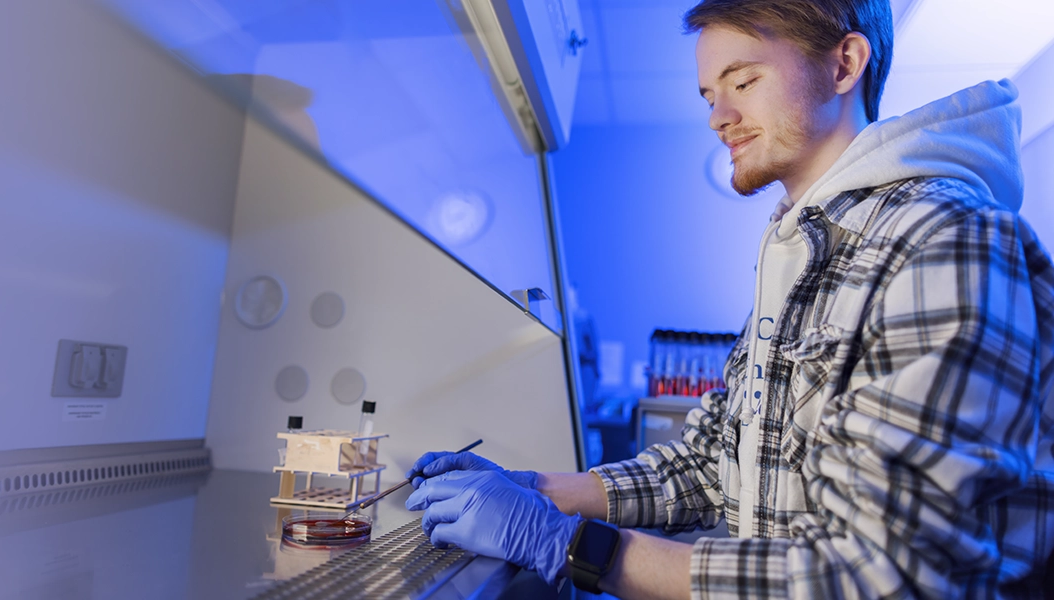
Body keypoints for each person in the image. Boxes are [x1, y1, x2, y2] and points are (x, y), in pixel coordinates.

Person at [404, 0, 1054, 597]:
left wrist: (565, 543)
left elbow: (886, 575)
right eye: (710, 95)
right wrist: (539, 489)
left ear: (845, 64)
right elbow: (715, 464)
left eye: (743, 83)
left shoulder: (943, 240)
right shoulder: (802, 250)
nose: (718, 116)